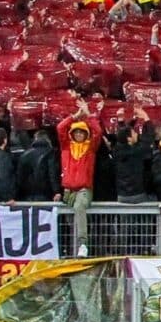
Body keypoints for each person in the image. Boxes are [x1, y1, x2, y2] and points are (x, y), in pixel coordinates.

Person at [56, 102, 102, 257]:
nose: (79, 135)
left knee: (80, 207)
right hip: (68, 191)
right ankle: (68, 250)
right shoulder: (66, 148)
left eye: (82, 132)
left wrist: (88, 115)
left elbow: (98, 131)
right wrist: (75, 116)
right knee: (70, 221)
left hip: (83, 190)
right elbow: (60, 128)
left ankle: (83, 244)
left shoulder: (90, 149)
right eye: (76, 132)